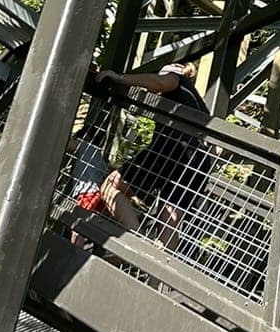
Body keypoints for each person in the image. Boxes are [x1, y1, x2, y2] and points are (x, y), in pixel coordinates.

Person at [73, 61, 213, 249]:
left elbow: (161, 83)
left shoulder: (178, 80)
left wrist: (119, 77)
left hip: (170, 149)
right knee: (168, 221)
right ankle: (154, 275)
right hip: (198, 161)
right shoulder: (197, 103)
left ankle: (137, 244)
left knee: (110, 186)